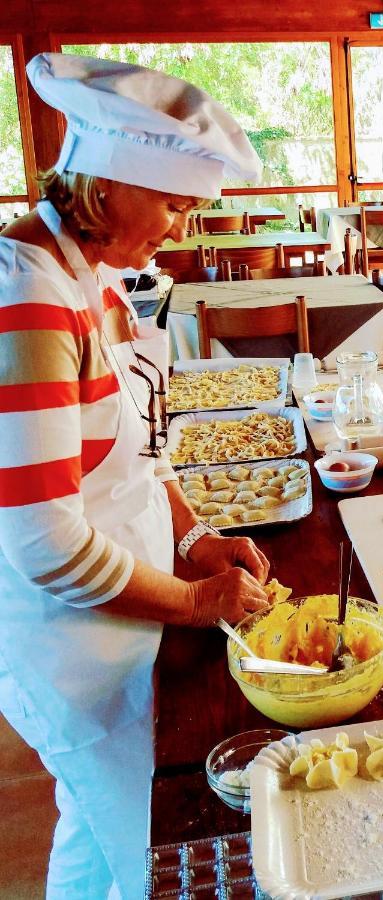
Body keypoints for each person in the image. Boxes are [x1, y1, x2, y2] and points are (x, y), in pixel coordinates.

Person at [0, 53, 273, 898]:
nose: (177, 228)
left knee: (95, 827)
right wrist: (194, 602)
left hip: (125, 620)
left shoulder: (95, 279)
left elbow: (141, 452)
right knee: (143, 855)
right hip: (75, 651)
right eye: (172, 203)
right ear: (108, 184)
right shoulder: (28, 296)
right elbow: (47, 545)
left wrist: (193, 537)